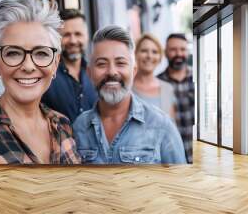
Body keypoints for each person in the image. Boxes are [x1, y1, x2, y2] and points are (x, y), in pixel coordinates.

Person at [0, 0, 80, 164]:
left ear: (55, 64)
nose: (28, 66)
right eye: (13, 53)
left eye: (41, 53)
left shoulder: (63, 124)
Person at [72, 25, 186, 164]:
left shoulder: (161, 125)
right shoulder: (79, 127)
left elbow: (178, 183)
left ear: (134, 70)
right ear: (89, 73)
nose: (112, 72)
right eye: (102, 64)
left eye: (120, 63)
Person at [42, 9, 98, 123]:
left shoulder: (96, 73)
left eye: (78, 34)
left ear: (87, 36)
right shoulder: (46, 75)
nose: (73, 41)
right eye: (66, 35)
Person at [158, 33, 194, 164]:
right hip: (170, 159)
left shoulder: (198, 80)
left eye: (182, 49)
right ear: (166, 52)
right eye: (173, 49)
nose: (178, 53)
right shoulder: (157, 83)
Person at [132, 33, 177, 120]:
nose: (149, 56)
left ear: (160, 57)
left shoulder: (167, 89)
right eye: (144, 51)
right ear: (135, 54)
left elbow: (172, 126)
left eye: (154, 52)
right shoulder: (126, 88)